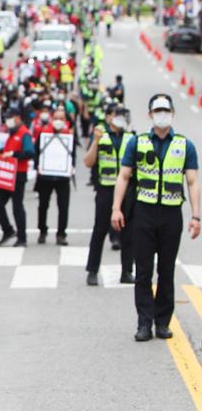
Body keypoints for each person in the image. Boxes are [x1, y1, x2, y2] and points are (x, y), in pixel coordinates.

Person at [112, 94, 200, 342]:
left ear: (172, 112)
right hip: (144, 213)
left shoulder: (185, 145)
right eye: (157, 110)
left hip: (171, 215)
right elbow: (124, 176)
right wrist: (116, 209)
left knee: (166, 270)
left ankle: (163, 322)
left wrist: (196, 216)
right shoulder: (137, 143)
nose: (162, 114)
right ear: (150, 114)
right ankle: (144, 323)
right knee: (143, 271)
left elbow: (192, 182)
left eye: (166, 110)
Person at [84, 105, 135, 286]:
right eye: (117, 115)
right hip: (106, 189)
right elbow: (88, 162)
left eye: (123, 115)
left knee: (128, 232)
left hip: (127, 191)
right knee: (100, 230)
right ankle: (92, 270)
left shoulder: (131, 138)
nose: (121, 118)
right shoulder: (100, 136)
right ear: (108, 118)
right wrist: (95, 142)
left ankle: (127, 271)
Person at [0, 108, 34, 247]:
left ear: (17, 117)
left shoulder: (24, 133)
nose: (7, 121)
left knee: (17, 206)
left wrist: (13, 154)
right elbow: (9, 149)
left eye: (9, 118)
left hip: (18, 174)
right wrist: (1, 152)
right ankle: (8, 230)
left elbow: (29, 152)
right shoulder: (12, 133)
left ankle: (22, 238)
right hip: (6, 173)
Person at [35, 108, 74, 245]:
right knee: (43, 205)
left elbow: (72, 154)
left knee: (63, 207)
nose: (58, 121)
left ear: (65, 121)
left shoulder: (69, 134)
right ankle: (42, 231)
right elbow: (36, 152)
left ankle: (61, 234)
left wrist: (71, 167)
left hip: (62, 178)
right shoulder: (43, 133)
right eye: (56, 118)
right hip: (45, 177)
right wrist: (37, 166)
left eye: (61, 118)